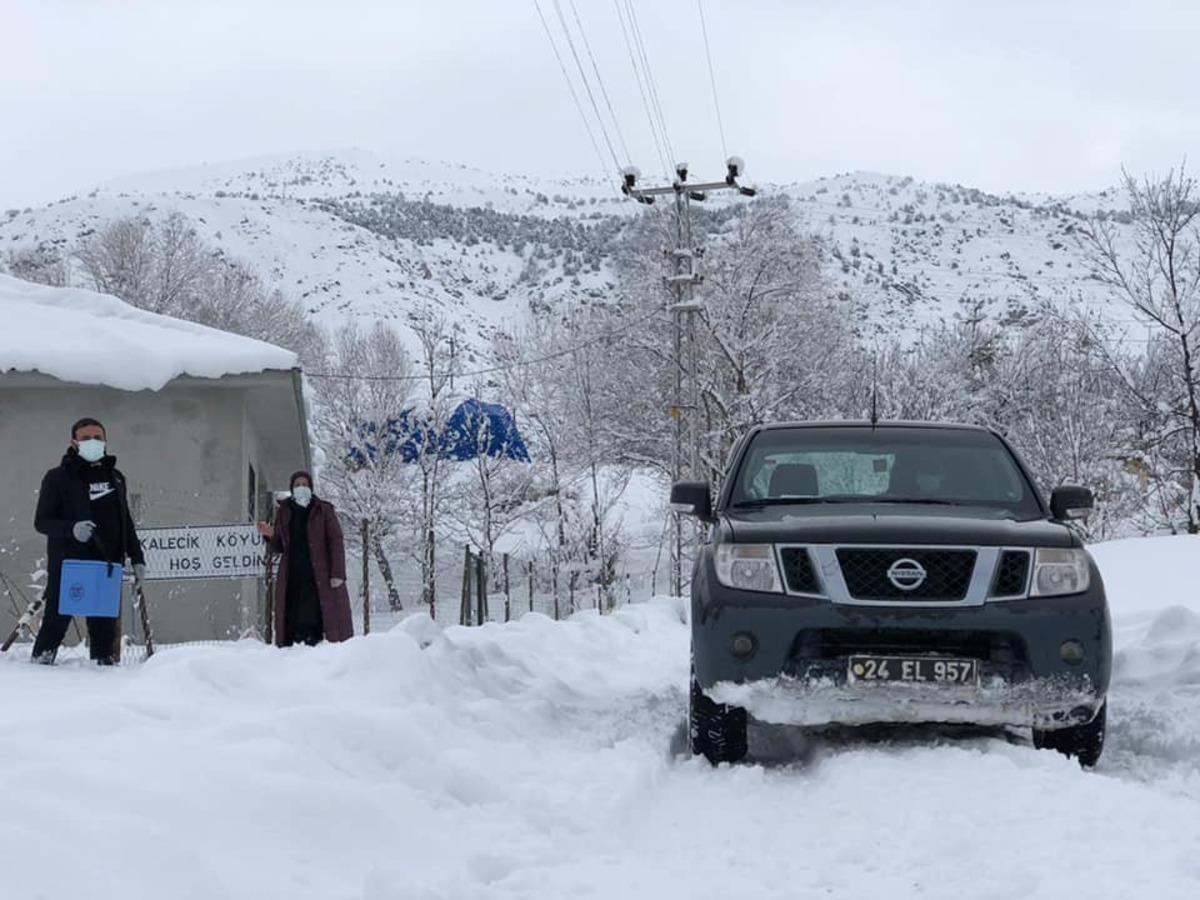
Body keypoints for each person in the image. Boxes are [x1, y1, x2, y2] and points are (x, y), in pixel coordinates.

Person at [32, 418, 146, 665]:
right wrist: (71, 529)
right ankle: (38, 670)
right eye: (85, 438)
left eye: (97, 437)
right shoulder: (57, 478)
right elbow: (42, 521)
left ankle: (102, 674)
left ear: (105, 441)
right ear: (73, 442)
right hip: (70, 563)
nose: (92, 442)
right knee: (56, 621)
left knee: (104, 628)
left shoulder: (116, 478)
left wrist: (137, 557)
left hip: (106, 564)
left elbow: (125, 520)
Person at [257, 471, 353, 647]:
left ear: (311, 487)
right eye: (297, 485)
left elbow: (336, 541)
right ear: (292, 488)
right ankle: (293, 651)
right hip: (292, 576)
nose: (301, 488)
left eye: (305, 484)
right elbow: (279, 547)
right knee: (292, 615)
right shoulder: (284, 511)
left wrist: (337, 573)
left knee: (320, 615)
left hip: (318, 576)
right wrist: (271, 535)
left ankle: (318, 648)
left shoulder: (323, 510)